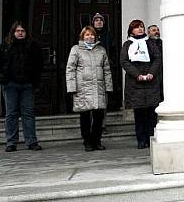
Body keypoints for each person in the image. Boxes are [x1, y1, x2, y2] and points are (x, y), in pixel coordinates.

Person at [0, 21, 43, 152]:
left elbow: (39, 64)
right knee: (11, 113)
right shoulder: (5, 46)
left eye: (23, 31)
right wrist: (2, 79)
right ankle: (11, 142)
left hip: (27, 85)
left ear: (26, 32)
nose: (20, 33)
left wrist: (35, 80)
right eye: (18, 31)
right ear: (13, 32)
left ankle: (31, 141)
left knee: (28, 113)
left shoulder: (33, 46)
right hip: (11, 85)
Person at [66, 26, 113, 151]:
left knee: (98, 117)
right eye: (87, 35)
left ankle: (96, 141)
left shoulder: (101, 50)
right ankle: (87, 142)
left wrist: (108, 86)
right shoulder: (76, 50)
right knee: (85, 116)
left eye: (92, 35)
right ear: (82, 37)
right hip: (83, 89)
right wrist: (71, 87)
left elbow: (107, 70)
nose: (90, 37)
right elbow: (70, 69)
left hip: (98, 87)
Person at [120, 19, 162, 149]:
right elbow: (124, 61)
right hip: (135, 84)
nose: (140, 29)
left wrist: (151, 73)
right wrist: (137, 74)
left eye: (142, 27)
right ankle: (141, 140)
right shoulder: (127, 44)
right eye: (137, 27)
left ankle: (150, 138)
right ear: (131, 30)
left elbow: (157, 58)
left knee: (151, 113)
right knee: (139, 114)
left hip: (151, 83)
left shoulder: (150, 43)